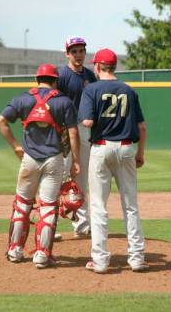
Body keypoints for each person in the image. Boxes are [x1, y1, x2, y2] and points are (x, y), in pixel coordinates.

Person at [0, 64, 80, 269]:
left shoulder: (22, 99)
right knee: (48, 207)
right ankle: (42, 255)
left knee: (22, 204)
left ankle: (15, 250)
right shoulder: (63, 101)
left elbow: (0, 122)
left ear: (37, 78)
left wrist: (16, 146)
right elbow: (73, 134)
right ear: (55, 80)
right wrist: (76, 160)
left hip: (29, 159)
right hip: (54, 159)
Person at [78, 48, 148, 274]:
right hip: (127, 147)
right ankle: (136, 258)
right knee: (131, 205)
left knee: (99, 206)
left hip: (101, 148)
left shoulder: (91, 89)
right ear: (114, 66)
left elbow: (87, 122)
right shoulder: (129, 90)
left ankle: (100, 260)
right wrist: (141, 154)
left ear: (97, 67)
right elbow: (142, 127)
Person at [57, 36, 97, 238]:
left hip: (83, 129)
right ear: (67, 54)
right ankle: (50, 224)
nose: (78, 54)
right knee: (57, 177)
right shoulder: (62, 75)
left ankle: (82, 226)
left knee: (81, 178)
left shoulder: (90, 75)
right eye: (74, 51)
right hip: (64, 130)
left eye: (81, 50)